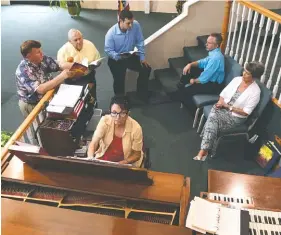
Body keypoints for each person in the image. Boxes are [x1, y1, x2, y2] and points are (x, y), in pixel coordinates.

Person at [193, 61, 265, 161]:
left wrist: (228, 107)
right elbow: (223, 94)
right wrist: (220, 103)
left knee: (213, 119)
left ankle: (203, 150)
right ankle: (205, 151)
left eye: (248, 73)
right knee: (214, 116)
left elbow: (246, 112)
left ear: (254, 76)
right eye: (244, 70)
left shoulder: (255, 92)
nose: (244, 73)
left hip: (235, 116)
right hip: (222, 108)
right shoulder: (236, 80)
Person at [15, 40, 75, 144]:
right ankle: (40, 147)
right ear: (29, 56)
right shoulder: (23, 71)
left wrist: (78, 66)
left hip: (46, 98)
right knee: (38, 130)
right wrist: (62, 76)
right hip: (31, 104)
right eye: (38, 52)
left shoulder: (42, 59)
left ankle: (55, 143)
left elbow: (58, 64)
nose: (42, 53)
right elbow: (41, 89)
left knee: (51, 124)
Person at [105, 10, 151, 103]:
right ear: (121, 21)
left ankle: (141, 94)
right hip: (116, 59)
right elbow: (108, 51)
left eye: (132, 22)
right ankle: (119, 101)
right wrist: (118, 56)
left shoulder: (135, 25)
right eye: (128, 23)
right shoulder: (111, 34)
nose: (131, 25)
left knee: (146, 69)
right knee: (119, 80)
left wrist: (142, 57)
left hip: (129, 55)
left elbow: (140, 41)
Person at [87, 95, 143, 167]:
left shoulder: (136, 128)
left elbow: (137, 154)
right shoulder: (104, 121)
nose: (117, 117)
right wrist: (90, 158)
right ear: (110, 111)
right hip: (105, 159)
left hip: (125, 162)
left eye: (122, 113)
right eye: (114, 113)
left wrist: (123, 163)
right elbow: (94, 143)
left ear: (128, 114)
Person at [178, 33, 225, 111]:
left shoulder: (216, 58)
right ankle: (181, 86)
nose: (206, 44)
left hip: (213, 85)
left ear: (216, 45)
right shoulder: (214, 53)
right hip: (209, 79)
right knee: (190, 67)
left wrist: (194, 81)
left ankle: (193, 113)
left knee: (187, 91)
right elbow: (203, 62)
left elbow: (205, 77)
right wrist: (190, 64)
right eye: (207, 42)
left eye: (209, 43)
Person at [57, 29, 101, 99]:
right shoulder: (63, 51)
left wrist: (95, 64)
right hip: (73, 80)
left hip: (89, 76)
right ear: (70, 42)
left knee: (91, 98)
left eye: (80, 38)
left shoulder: (90, 45)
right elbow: (61, 67)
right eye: (75, 40)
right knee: (76, 100)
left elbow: (98, 59)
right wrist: (71, 65)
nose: (79, 42)